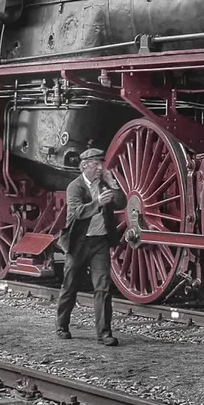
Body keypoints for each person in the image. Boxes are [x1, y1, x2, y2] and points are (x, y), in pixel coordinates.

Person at [56, 147, 125, 345]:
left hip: (99, 242)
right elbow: (77, 212)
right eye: (95, 164)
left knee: (103, 288)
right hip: (79, 243)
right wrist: (98, 203)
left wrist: (114, 185)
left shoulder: (104, 185)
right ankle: (61, 325)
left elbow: (121, 203)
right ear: (84, 166)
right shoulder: (74, 187)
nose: (100, 167)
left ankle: (104, 333)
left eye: (101, 164)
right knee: (70, 285)